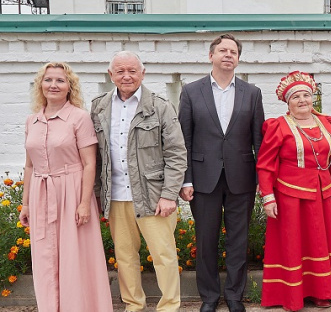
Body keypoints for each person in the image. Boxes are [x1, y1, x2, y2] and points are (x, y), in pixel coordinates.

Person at [91, 51, 187, 312]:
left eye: (132, 71)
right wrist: (99, 195)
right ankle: (133, 305)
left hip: (153, 196)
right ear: (111, 75)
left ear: (142, 74)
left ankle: (169, 306)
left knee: (164, 256)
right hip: (117, 196)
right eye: (120, 71)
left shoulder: (160, 106)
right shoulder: (99, 106)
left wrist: (169, 194)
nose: (126, 76)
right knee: (125, 257)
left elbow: (177, 154)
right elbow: (96, 156)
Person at [178, 34, 265, 312]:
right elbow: (184, 139)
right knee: (206, 239)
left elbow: (258, 141)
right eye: (223, 50)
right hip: (203, 178)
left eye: (233, 52)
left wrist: (264, 180)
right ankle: (210, 297)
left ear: (238, 59)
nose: (228, 55)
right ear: (211, 55)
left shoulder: (252, 93)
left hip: (242, 177)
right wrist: (186, 178)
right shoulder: (192, 91)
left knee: (238, 239)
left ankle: (235, 296)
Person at [20, 62, 113, 312]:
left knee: (76, 256)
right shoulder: (32, 120)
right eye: (48, 80)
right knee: (44, 256)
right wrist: (26, 202)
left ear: (69, 87)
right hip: (42, 193)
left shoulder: (79, 118)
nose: (53, 85)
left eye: (60, 80)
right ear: (41, 84)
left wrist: (84, 203)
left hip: (72, 193)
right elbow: (29, 166)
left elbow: (89, 163)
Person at [256, 71, 331, 311]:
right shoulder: (278, 126)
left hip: (322, 193)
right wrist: (268, 197)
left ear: (313, 98)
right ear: (288, 102)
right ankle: (292, 295)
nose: (302, 100)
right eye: (296, 96)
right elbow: (265, 164)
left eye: (306, 95)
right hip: (290, 195)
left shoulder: (327, 123)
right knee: (293, 244)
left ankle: (322, 292)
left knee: (319, 242)